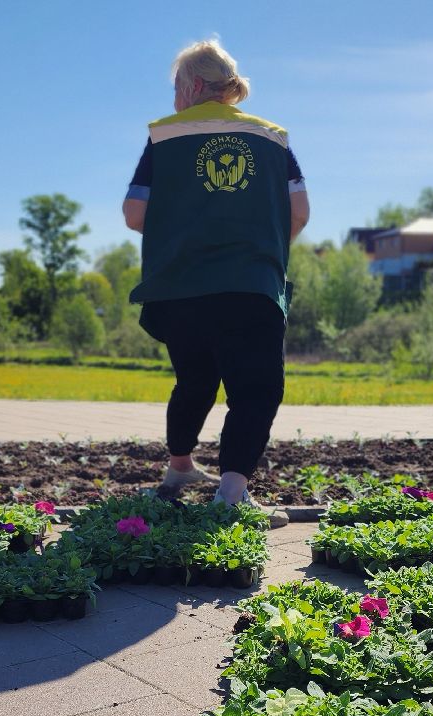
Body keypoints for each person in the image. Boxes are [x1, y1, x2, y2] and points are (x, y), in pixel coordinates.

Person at [123, 40, 309, 524]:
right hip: (249, 284)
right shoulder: (272, 138)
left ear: (194, 87)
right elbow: (300, 212)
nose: (173, 98)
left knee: (195, 378)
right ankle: (230, 494)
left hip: (179, 287)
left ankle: (179, 468)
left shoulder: (163, 136)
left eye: (176, 88)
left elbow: (134, 213)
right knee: (255, 389)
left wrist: (186, 229)